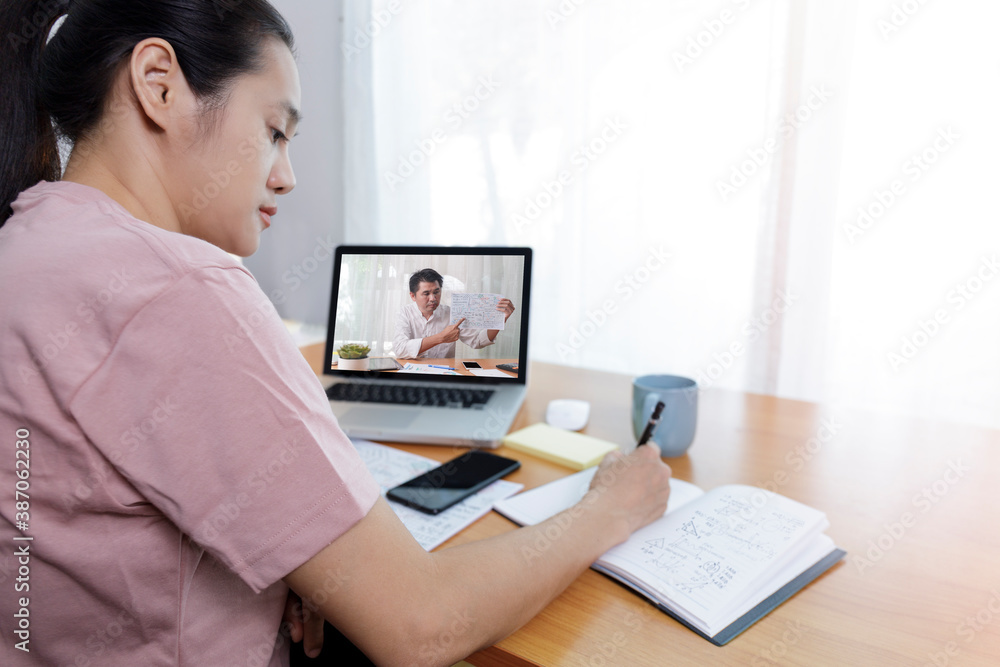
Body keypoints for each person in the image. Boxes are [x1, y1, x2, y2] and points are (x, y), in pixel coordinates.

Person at [0, 1, 673, 665]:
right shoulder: (181, 289)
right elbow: (421, 624)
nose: (287, 176)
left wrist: (292, 566)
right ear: (158, 83)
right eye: (274, 130)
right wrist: (610, 508)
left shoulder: (27, 238)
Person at [393, 268, 516, 359]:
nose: (433, 298)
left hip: (445, 375)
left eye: (437, 292)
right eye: (426, 294)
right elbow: (400, 349)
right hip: (414, 373)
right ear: (413, 296)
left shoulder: (452, 313)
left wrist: (500, 320)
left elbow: (477, 341)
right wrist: (441, 337)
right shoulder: (404, 313)